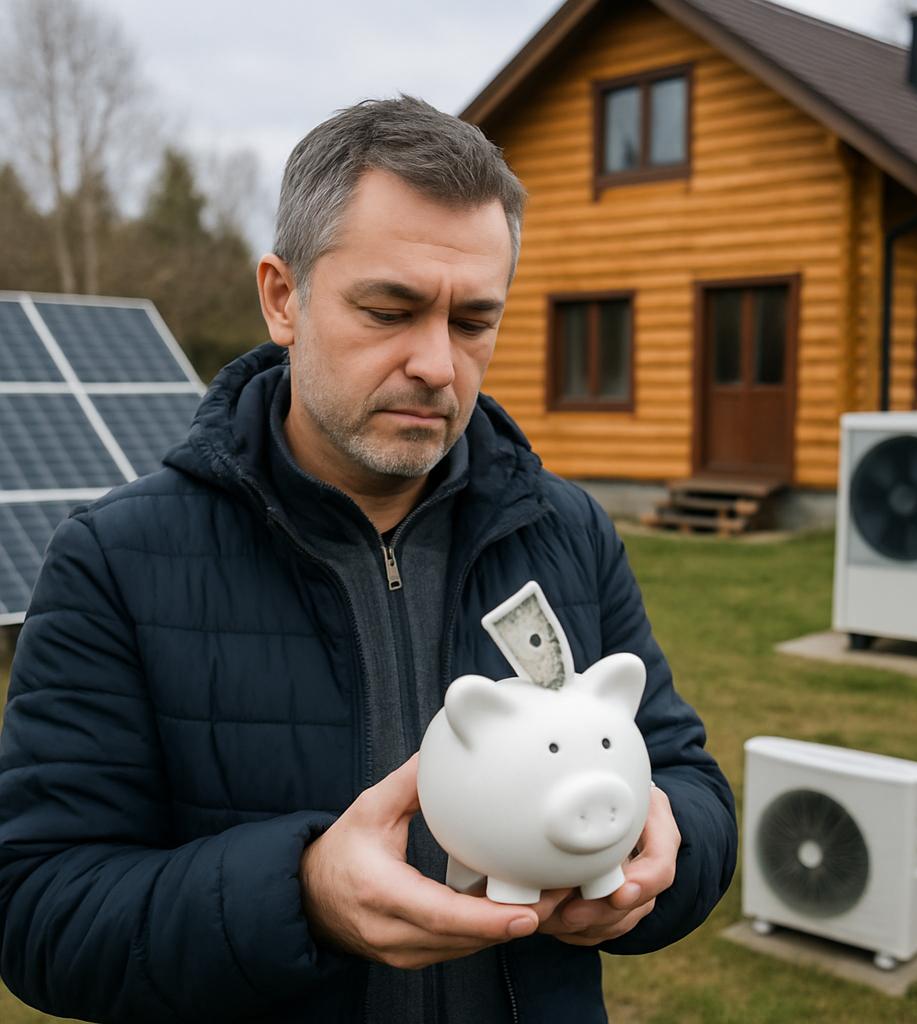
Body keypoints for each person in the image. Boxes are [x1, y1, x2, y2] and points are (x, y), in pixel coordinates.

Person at [0, 96, 737, 1023]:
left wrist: (663, 857)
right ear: (283, 297)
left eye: (474, 322)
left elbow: (685, 779)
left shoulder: (566, 533)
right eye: (390, 309)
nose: (436, 363)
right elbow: (38, 911)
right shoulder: (116, 561)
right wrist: (304, 896)